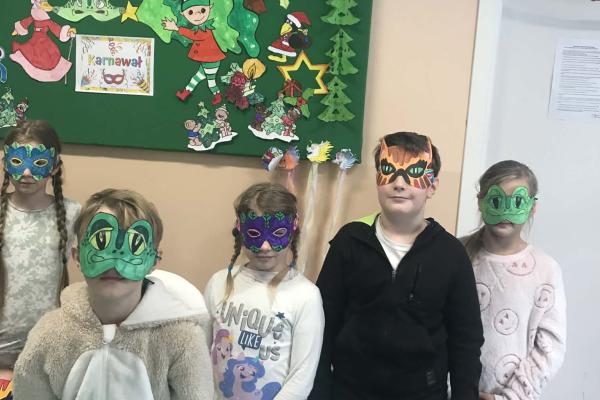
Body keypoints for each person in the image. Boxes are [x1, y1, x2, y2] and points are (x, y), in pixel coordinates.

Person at [310, 132, 484, 400]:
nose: (399, 183)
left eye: (413, 172)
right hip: (350, 391)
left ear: (432, 186)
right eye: (388, 170)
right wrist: (319, 392)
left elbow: (466, 339)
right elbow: (323, 321)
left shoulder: (451, 254)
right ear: (377, 179)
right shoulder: (350, 241)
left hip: (422, 393)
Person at [12, 189, 214, 399]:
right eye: (101, 242)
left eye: (134, 245)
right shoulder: (49, 333)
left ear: (154, 259)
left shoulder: (182, 339)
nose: (115, 261)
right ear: (77, 256)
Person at [204, 182, 324, 400]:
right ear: (240, 228)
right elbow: (201, 352)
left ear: (292, 228)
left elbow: (301, 377)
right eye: (254, 233)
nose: (264, 246)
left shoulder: (306, 296)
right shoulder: (218, 283)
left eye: (277, 233)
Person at [462, 160, 566, 400]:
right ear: (480, 202)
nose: (505, 211)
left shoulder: (546, 270)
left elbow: (550, 348)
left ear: (532, 207)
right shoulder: (456, 255)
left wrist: (510, 397)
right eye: (496, 200)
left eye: (517, 201)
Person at [0, 120, 80, 396]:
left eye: (38, 163)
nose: (25, 172)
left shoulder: (73, 213)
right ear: (6, 163)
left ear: (54, 166)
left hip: (47, 347)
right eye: (17, 161)